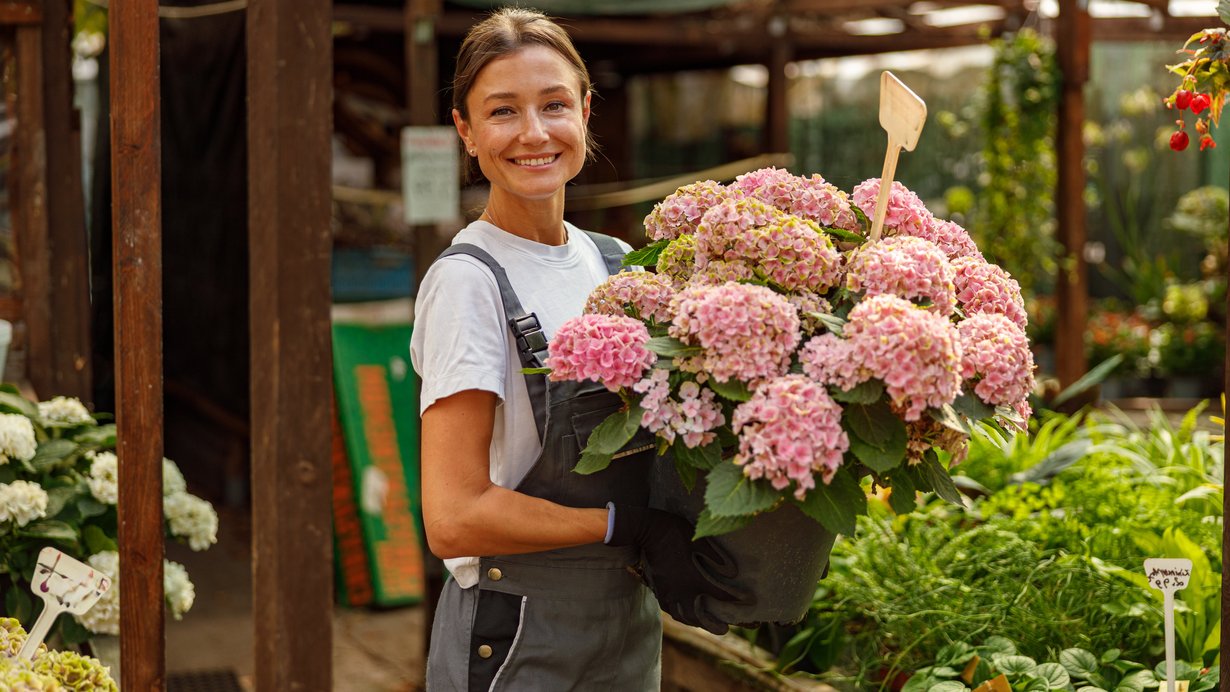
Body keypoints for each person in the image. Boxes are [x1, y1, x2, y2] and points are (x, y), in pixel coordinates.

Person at [409, 8, 744, 690]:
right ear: (465, 132)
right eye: (503, 111)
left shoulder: (619, 266)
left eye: (554, 104)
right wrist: (626, 525)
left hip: (627, 622)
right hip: (521, 634)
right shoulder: (470, 282)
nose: (533, 133)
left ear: (586, 112)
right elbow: (453, 517)